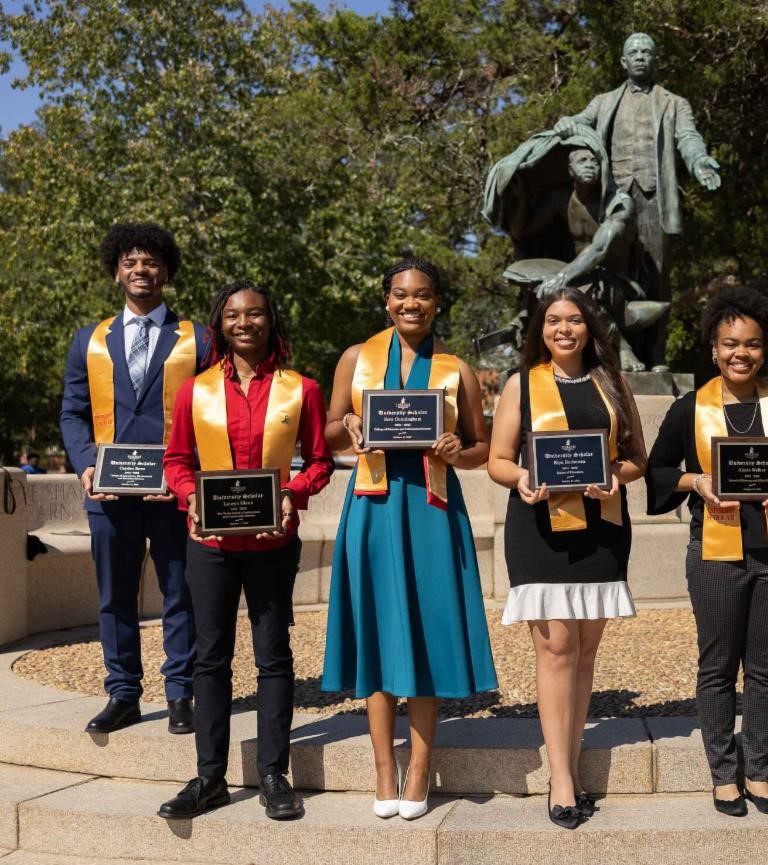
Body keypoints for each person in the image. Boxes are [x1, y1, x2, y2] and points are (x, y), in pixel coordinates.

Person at [321, 258, 497, 821]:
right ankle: (382, 768)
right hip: (372, 507)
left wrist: (454, 450)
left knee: (423, 629)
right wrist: (349, 427)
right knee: (377, 627)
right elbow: (326, 434)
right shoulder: (357, 358)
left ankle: (419, 767)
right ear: (386, 300)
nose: (410, 304)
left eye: (422, 296)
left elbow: (482, 449)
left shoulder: (456, 370)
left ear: (436, 302)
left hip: (429, 508)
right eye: (400, 295)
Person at [646, 286, 768, 817]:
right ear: (713, 349)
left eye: (750, 344)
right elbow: (658, 471)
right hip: (715, 552)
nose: (740, 354)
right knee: (719, 665)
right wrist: (695, 482)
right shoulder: (689, 409)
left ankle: (759, 772)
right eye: (729, 344)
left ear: (763, 349)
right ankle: (724, 775)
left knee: (767, 666)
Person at [157, 282, 332, 820]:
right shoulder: (195, 390)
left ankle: (273, 775)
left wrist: (292, 494)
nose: (244, 322)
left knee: (273, 657)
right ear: (220, 323)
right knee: (209, 658)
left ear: (270, 321)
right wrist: (190, 499)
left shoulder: (301, 389)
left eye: (255, 313)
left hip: (273, 540)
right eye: (233, 314)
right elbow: (177, 461)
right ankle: (209, 777)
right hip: (208, 544)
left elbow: (320, 462)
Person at [488, 286, 646, 829]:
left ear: (589, 328)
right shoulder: (520, 385)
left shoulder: (612, 383)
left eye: (574, 320)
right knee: (556, 647)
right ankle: (561, 779)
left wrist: (612, 480)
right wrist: (525, 477)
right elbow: (498, 461)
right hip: (539, 530)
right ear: (541, 329)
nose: (563, 329)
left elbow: (636, 460)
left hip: (600, 529)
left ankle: (572, 762)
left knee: (584, 652)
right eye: (553, 320)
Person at [60, 223, 210, 735]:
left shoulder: (198, 339)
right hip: (109, 494)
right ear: (116, 271)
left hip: (174, 492)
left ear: (166, 272)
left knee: (180, 594)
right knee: (115, 596)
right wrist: (84, 463)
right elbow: (72, 413)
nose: (140, 270)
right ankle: (122, 692)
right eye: (130, 262)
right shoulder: (90, 340)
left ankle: (180, 692)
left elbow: (214, 412)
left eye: (150, 262)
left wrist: (191, 478)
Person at [554, 32, 721, 371]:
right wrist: (567, 122)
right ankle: (618, 350)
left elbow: (688, 138)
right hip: (613, 199)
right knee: (611, 274)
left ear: (656, 61)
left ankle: (656, 353)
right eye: (634, 52)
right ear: (623, 61)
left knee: (657, 278)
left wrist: (700, 161)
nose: (641, 56)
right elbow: (578, 124)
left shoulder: (674, 103)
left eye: (647, 52)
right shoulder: (603, 102)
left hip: (654, 199)